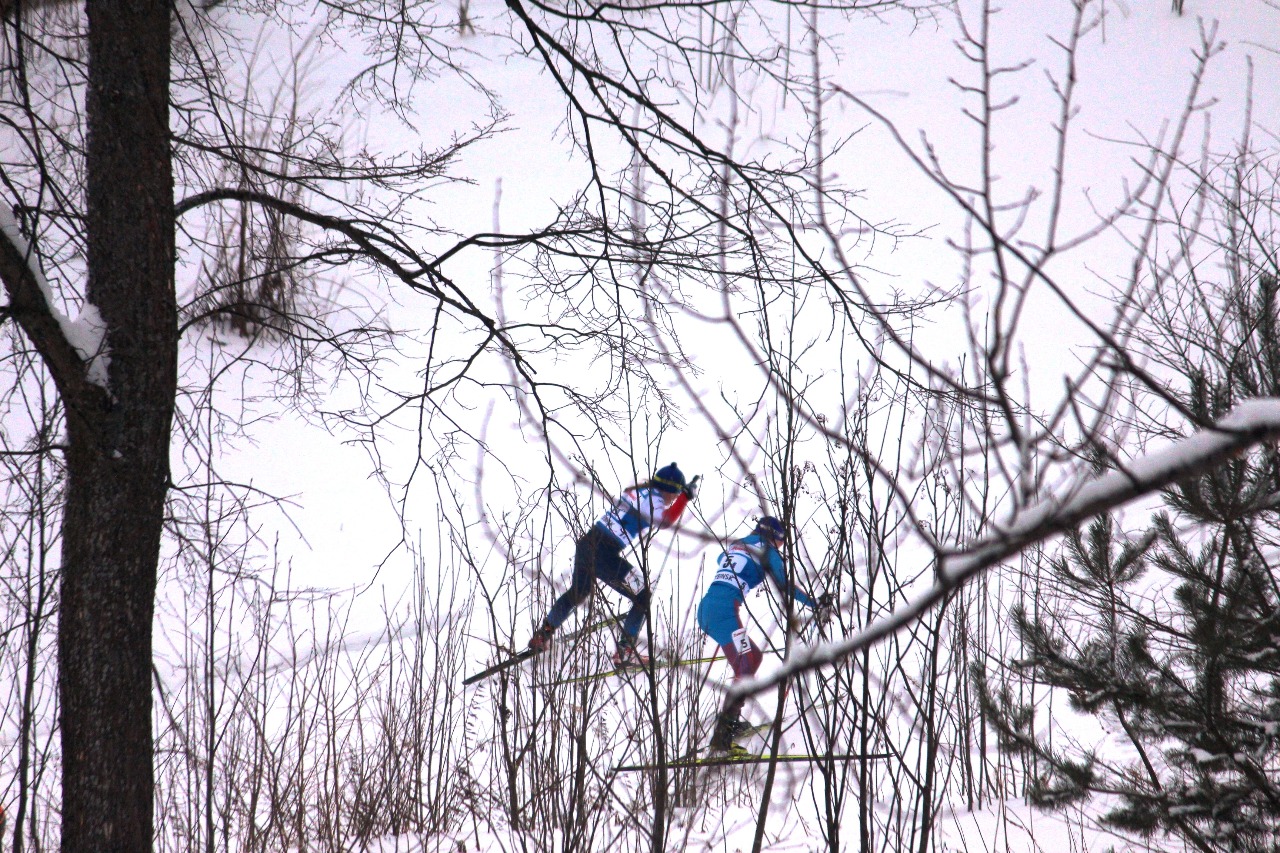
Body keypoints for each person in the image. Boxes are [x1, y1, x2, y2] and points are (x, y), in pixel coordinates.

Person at [528, 462, 697, 667]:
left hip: (587, 544)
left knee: (578, 592)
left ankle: (543, 634)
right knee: (643, 596)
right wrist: (685, 499)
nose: (672, 501)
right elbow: (666, 521)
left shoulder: (641, 490)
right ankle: (626, 651)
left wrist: (680, 496)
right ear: (670, 490)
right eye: (674, 494)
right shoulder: (654, 499)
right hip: (604, 552)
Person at [696, 515, 824, 751]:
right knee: (745, 664)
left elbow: (720, 558)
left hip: (707, 608)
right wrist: (815, 603)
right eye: (782, 543)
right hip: (725, 611)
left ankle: (729, 721)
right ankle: (722, 739)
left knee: (753, 658)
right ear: (776, 538)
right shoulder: (769, 552)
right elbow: (785, 586)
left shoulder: (738, 543)